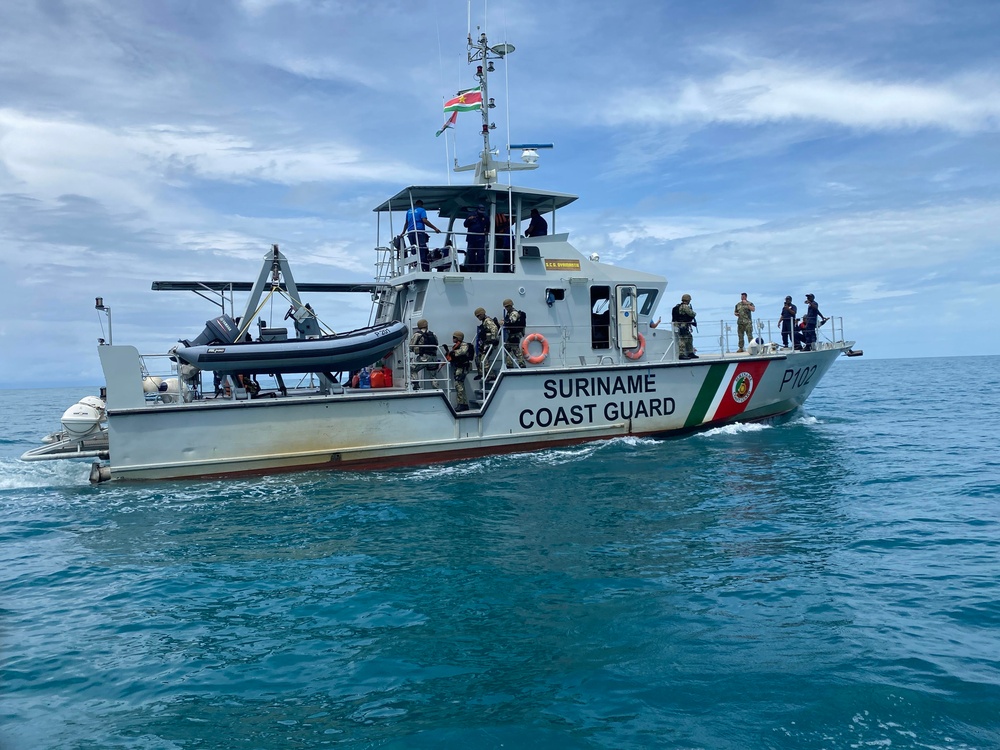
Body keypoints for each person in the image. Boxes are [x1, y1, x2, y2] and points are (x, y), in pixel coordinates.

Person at [404, 199, 440, 271]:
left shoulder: (409, 211)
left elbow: (406, 223)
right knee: (422, 249)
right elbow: (424, 220)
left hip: (410, 232)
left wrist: (403, 232)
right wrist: (435, 228)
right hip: (419, 231)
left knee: (414, 248)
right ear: (421, 204)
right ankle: (424, 267)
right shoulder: (422, 210)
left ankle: (415, 264)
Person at [444, 330, 474, 412]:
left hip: (462, 367)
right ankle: (463, 404)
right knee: (459, 385)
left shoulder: (464, 345)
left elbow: (463, 351)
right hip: (459, 367)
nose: (453, 338)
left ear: (458, 338)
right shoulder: (457, 346)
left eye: (454, 337)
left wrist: (453, 353)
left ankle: (461, 404)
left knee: (459, 385)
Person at [409, 319, 440, 390]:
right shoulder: (433, 334)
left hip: (423, 357)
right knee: (433, 375)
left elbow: (411, 346)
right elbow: (437, 343)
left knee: (412, 369)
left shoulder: (417, 334)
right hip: (433, 357)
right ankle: (436, 389)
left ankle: (416, 385)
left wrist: (414, 349)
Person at [473, 306, 500, 381]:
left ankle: (491, 375)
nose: (478, 317)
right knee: (477, 358)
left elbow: (494, 329)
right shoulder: (484, 322)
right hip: (484, 343)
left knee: (484, 358)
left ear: (482, 314)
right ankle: (481, 373)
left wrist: (493, 340)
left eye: (479, 315)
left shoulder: (487, 320)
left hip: (489, 343)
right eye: (477, 316)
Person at [671, 293, 698, 360]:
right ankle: (682, 354)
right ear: (688, 300)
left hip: (679, 325)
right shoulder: (685, 307)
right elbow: (692, 314)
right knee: (683, 339)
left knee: (689, 337)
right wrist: (693, 313)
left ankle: (690, 352)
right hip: (682, 325)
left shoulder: (678, 306)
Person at [463, 205, 489, 273]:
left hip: (480, 238)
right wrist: (469, 219)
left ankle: (480, 268)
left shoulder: (485, 216)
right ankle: (471, 268)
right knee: (471, 254)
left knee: (480, 254)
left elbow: (488, 224)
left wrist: (487, 231)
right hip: (471, 238)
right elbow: (465, 225)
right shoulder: (471, 215)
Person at [501, 298, 526, 367]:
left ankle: (522, 364)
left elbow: (512, 320)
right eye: (505, 307)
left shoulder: (514, 313)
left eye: (507, 306)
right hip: (511, 334)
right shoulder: (509, 313)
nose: (506, 308)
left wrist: (504, 322)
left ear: (510, 306)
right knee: (508, 347)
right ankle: (509, 364)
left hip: (515, 334)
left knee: (515, 349)